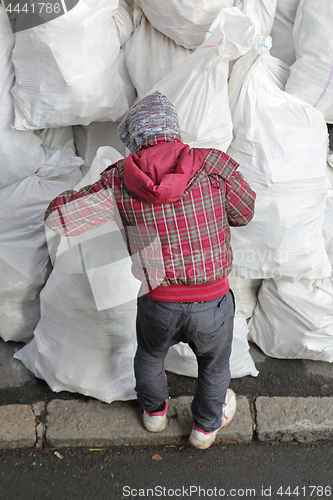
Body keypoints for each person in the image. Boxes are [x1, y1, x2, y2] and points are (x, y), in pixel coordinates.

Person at [45, 91, 256, 449]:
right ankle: (204, 429)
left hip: (158, 302)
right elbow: (244, 213)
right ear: (173, 129)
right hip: (213, 302)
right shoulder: (213, 165)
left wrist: (108, 203)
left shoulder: (118, 180)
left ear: (134, 139)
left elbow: (59, 219)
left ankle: (154, 415)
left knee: (150, 355)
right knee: (215, 366)